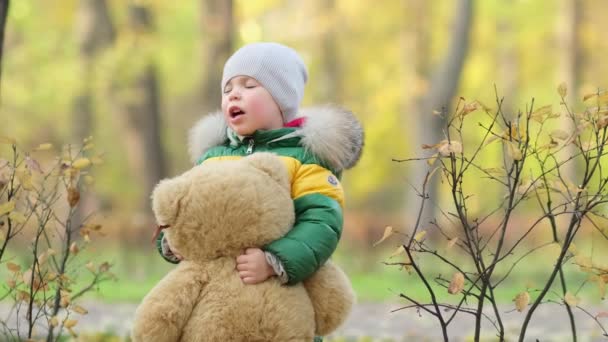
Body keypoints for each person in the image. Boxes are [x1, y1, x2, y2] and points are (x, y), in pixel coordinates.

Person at [156, 41, 363, 289]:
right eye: (227, 88)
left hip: (276, 291)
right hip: (215, 288)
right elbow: (184, 208)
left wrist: (274, 260)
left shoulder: (305, 159)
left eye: (249, 85)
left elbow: (321, 222)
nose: (234, 93)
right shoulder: (213, 158)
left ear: (282, 99)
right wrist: (174, 241)